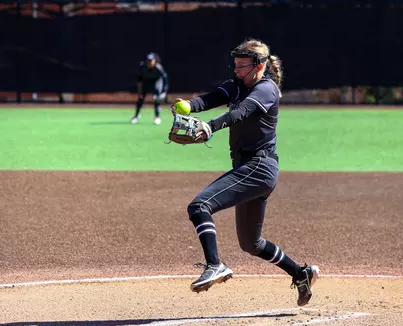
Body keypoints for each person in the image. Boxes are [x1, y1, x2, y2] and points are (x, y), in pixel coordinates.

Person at [171, 38, 320, 306]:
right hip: (249, 168)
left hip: (259, 167)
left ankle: (214, 264)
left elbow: (241, 112)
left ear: (259, 65)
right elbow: (212, 98)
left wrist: (210, 127)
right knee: (251, 243)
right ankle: (301, 273)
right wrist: (189, 106)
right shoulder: (236, 85)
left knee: (199, 206)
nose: (237, 70)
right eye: (236, 65)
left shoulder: (266, 90)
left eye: (242, 66)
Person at [130, 52, 169, 125]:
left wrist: (164, 91)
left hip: (156, 83)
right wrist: (140, 91)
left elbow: (165, 79)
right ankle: (136, 116)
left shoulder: (158, 68)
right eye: (148, 60)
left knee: (156, 99)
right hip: (146, 82)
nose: (149, 62)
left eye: (151, 60)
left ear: (155, 61)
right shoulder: (143, 66)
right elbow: (139, 79)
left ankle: (157, 117)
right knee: (140, 99)